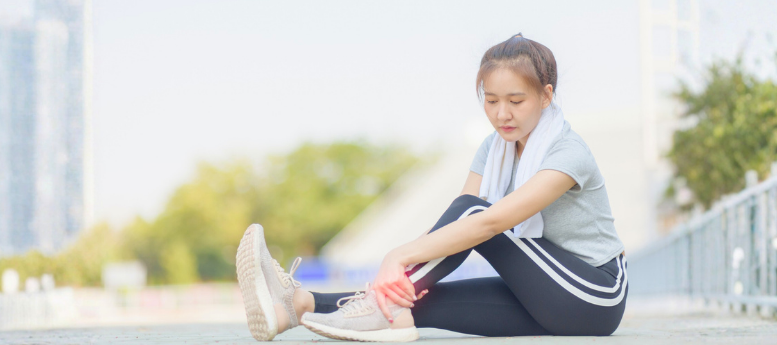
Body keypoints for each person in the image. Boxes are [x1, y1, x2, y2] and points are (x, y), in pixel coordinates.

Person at [236, 34, 627, 342]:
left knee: (473, 215)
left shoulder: (567, 151)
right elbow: (450, 226)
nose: (501, 113)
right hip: (545, 295)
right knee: (413, 298)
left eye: (516, 100)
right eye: (491, 101)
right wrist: (403, 268)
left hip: (593, 295)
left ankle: (360, 304)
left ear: (546, 95)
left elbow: (486, 223)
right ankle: (296, 306)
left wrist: (398, 255)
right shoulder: (495, 148)